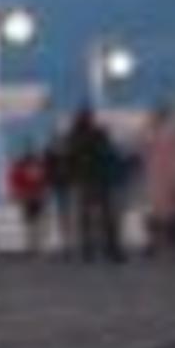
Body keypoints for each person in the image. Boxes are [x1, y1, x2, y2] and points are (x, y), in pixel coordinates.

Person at [61, 109, 124, 263]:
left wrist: (70, 176)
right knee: (104, 216)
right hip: (96, 178)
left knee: (87, 218)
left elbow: (68, 159)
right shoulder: (95, 134)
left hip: (85, 180)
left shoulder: (73, 137)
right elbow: (107, 152)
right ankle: (110, 249)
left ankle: (89, 250)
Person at [138, 109, 175, 260]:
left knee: (169, 216)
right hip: (158, 182)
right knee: (162, 216)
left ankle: (167, 246)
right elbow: (145, 156)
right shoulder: (154, 136)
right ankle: (160, 245)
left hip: (166, 182)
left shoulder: (169, 136)